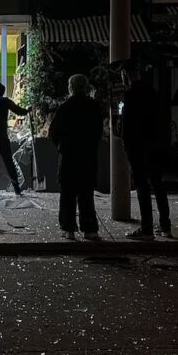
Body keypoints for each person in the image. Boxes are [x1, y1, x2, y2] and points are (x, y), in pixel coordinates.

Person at [49, 74, 105, 241]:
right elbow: (98, 132)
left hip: (69, 156)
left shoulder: (65, 107)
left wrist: (62, 146)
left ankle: (68, 229)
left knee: (68, 194)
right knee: (86, 194)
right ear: (86, 87)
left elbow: (53, 133)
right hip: (87, 156)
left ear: (71, 88)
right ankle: (90, 229)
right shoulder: (93, 107)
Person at [121, 64, 172, 240]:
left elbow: (127, 125)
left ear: (127, 77)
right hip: (156, 144)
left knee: (142, 186)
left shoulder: (130, 95)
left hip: (138, 146)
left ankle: (146, 228)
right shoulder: (153, 93)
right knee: (158, 184)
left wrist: (126, 143)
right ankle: (165, 226)